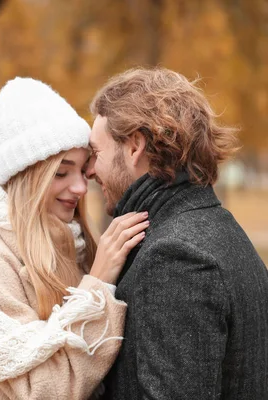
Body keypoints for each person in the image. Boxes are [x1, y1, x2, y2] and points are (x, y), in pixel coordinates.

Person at [0, 77, 148, 400]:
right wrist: (96, 287)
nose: (82, 187)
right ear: (28, 177)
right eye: (61, 173)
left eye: (83, 170)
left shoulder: (75, 240)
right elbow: (43, 393)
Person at [85, 67, 268, 400]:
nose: (89, 170)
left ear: (134, 146)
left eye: (96, 153)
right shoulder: (220, 230)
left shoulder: (174, 256)